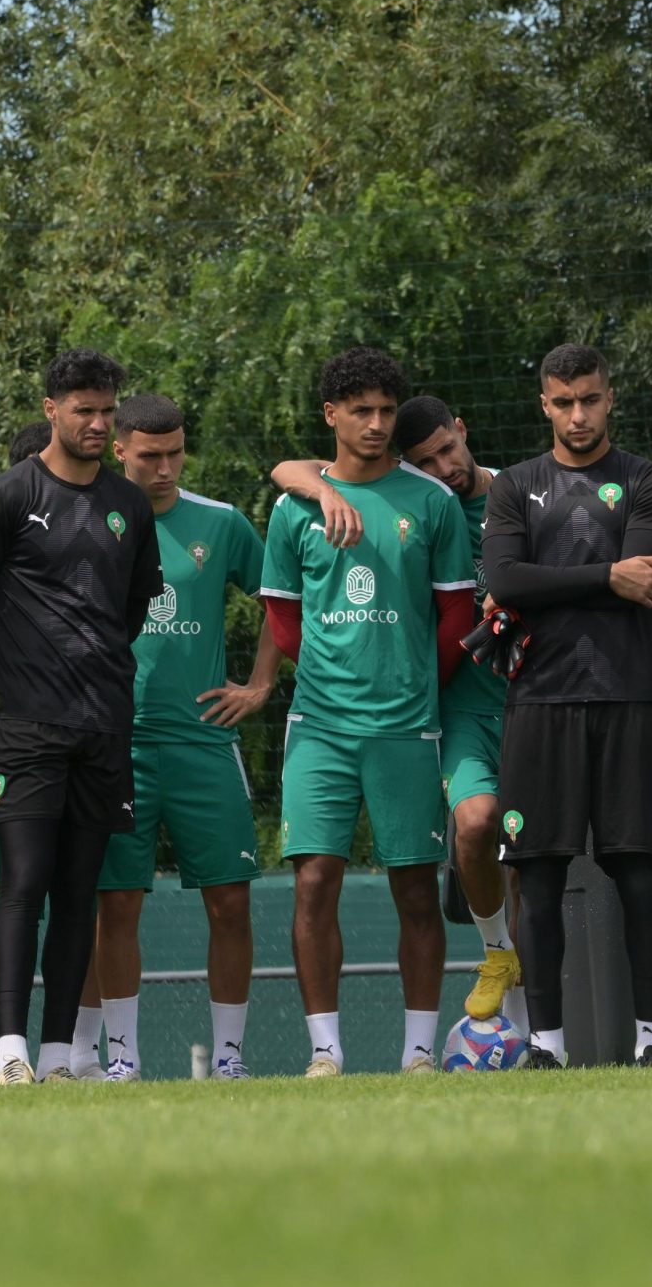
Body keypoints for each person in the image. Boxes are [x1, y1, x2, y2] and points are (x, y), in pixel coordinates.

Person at [273, 393, 526, 1038]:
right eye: (427, 460)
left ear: (463, 430)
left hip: (530, 701)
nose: (443, 467)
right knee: (473, 826)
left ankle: (536, 1038)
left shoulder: (519, 494)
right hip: (447, 709)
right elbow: (295, 474)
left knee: (538, 862)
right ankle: (491, 958)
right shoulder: (400, 499)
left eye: (447, 450)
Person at [260, 347, 475, 1075]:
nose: (377, 424)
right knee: (314, 879)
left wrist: (412, 684)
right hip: (318, 726)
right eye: (361, 411)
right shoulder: (294, 508)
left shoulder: (432, 504)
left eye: (386, 411)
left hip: (406, 727)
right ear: (331, 416)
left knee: (414, 884)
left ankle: (419, 1053)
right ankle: (326, 1053)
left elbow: (454, 619)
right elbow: (283, 622)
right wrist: (330, 674)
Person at [0, 350, 161, 1084]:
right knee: (25, 881)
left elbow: (133, 606)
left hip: (103, 722)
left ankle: (61, 1055)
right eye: (84, 410)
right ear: (51, 410)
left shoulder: (130, 504)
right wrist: (11, 679)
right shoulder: (7, 497)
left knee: (81, 890)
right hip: (26, 724)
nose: (99, 424)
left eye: (107, 410)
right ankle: (9, 1053)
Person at [480, 344, 652, 1067]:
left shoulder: (647, 479)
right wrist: (603, 573)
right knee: (537, 878)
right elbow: (504, 578)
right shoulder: (514, 486)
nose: (578, 415)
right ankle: (546, 1046)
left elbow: (647, 577)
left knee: (638, 875)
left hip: (628, 697)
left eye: (590, 399)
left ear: (610, 397)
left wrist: (551, 579)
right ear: (544, 404)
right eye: (564, 402)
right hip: (538, 701)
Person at [66, 394, 276, 1082]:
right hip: (115, 746)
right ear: (119, 449)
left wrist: (258, 684)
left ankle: (229, 1058)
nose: (163, 467)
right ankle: (121, 1057)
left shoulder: (219, 524)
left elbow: (282, 598)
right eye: (149, 455)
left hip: (204, 743)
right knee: (116, 902)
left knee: (230, 900)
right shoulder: (91, 517)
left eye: (175, 453)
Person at [0, 419, 60, 1083]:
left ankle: (70, 1055)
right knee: (0, 902)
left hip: (84, 742)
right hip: (10, 746)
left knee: (80, 897)